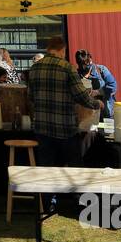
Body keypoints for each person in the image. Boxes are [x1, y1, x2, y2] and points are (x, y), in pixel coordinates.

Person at [29, 36, 102, 164]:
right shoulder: (67, 68)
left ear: (48, 49)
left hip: (42, 127)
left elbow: (31, 97)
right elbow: (81, 96)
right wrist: (97, 104)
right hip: (65, 128)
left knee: (46, 171)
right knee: (73, 170)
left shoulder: (35, 68)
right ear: (63, 50)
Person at [75, 50, 118, 119]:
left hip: (106, 112)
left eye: (88, 63)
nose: (86, 66)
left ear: (90, 59)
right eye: (83, 65)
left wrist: (98, 92)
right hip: (88, 115)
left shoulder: (101, 70)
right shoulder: (76, 75)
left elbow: (113, 86)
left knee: (107, 129)